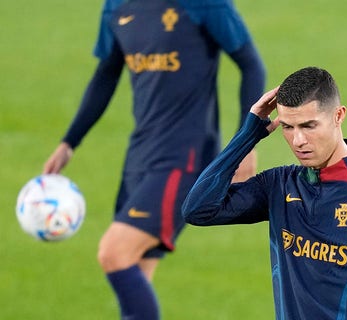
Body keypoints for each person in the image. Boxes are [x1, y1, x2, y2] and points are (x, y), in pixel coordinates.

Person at [42, 0, 266, 318]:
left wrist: (246, 143)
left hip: (185, 158)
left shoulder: (205, 4)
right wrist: (69, 142)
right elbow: (105, 74)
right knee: (137, 269)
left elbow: (251, 64)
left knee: (114, 253)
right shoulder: (116, 7)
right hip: (140, 157)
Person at [181, 67, 347, 319]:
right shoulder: (279, 185)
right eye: (288, 127)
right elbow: (198, 210)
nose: (298, 141)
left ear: (338, 115)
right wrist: (249, 134)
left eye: (309, 126)